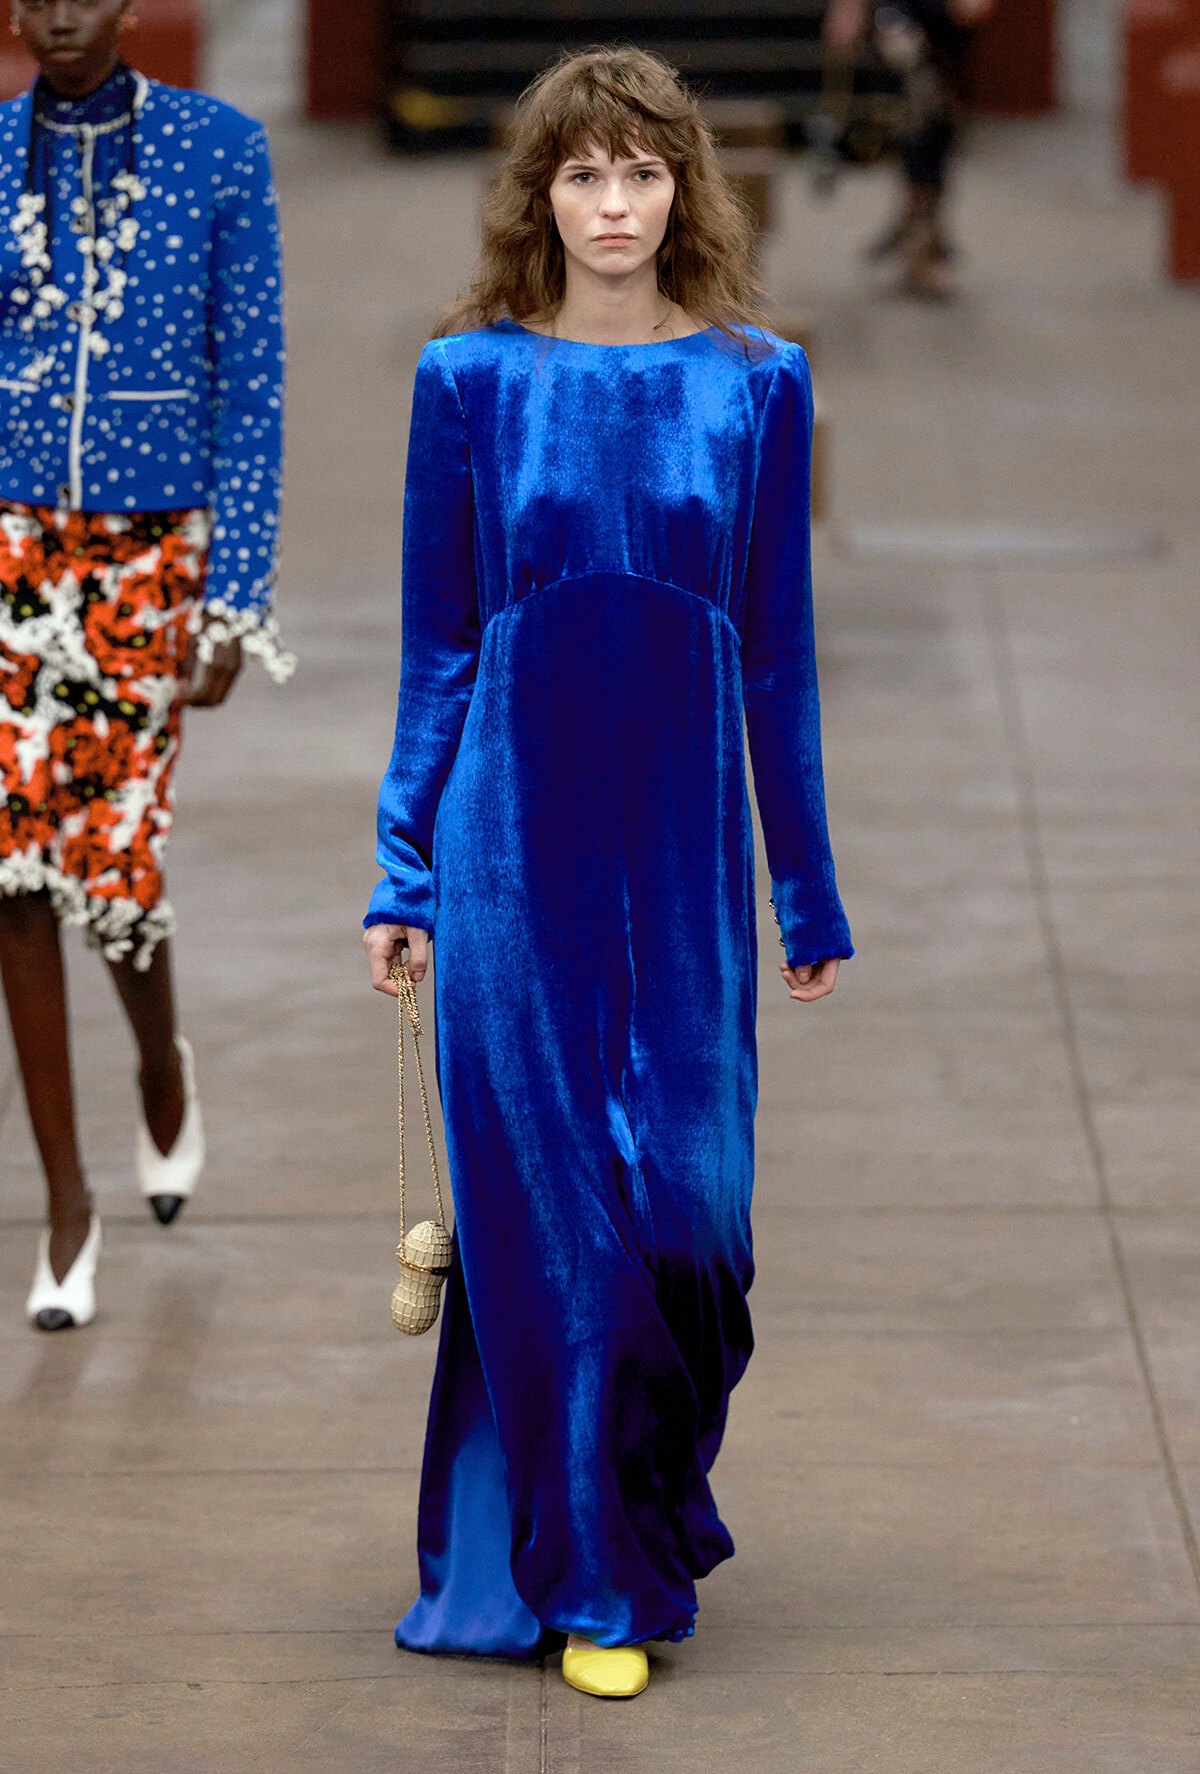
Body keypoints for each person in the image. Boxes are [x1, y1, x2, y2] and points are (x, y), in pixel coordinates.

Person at [363, 47, 852, 1700]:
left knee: (693, 1213)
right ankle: (600, 1582)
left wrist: (811, 892)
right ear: (542, 197)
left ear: (684, 190)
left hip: (689, 852)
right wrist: (402, 873)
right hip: (512, 846)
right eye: (584, 175)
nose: (616, 203)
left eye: (643, 173)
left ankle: (628, 1503)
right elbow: (438, 648)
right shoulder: (468, 381)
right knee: (561, 1216)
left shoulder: (756, 382)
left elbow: (779, 662)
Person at [0, 0, 289, 1332]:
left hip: (141, 558)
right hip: (8, 549)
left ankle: (159, 1071)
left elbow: (254, 383)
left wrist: (232, 598)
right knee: (13, 874)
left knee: (111, 866)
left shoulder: (217, 152)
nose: (60, 13)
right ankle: (66, 1201)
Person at [823, 0, 998, 296]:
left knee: (937, 127)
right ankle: (920, 238)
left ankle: (920, 231)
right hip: (900, 20)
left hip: (942, 30)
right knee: (917, 119)